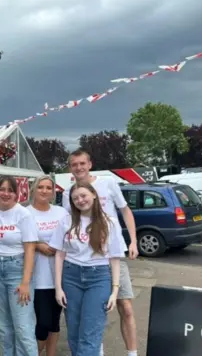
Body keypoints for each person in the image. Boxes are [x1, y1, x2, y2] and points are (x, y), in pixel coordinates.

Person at [62, 148, 139, 356]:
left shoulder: (108, 183)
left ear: (89, 164)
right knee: (91, 312)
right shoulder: (69, 193)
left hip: (110, 254)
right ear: (70, 168)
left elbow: (125, 210)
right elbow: (68, 225)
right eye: (74, 164)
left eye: (82, 163)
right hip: (82, 260)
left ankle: (132, 353)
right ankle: (97, 351)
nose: (78, 167)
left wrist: (132, 241)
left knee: (125, 306)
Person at [50, 182, 125, 356]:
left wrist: (114, 291)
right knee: (74, 332)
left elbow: (114, 258)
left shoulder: (109, 222)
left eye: (83, 196)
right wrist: (58, 288)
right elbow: (59, 254)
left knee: (90, 333)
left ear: (93, 194)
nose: (80, 200)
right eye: (75, 198)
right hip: (71, 277)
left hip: (98, 278)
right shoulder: (67, 221)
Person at [0, 175, 39, 356]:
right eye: (2, 189)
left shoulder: (23, 214)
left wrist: (25, 282)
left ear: (16, 194)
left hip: (16, 267)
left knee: (23, 327)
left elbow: (30, 248)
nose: (5, 194)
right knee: (3, 325)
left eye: (10, 190)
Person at [27, 175, 69, 356]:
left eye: (48, 188)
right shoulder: (25, 213)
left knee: (54, 322)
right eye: (40, 187)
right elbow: (16, 239)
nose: (44, 191)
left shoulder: (61, 213)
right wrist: (38, 245)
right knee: (42, 323)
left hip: (59, 277)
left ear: (53, 192)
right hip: (37, 277)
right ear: (33, 190)